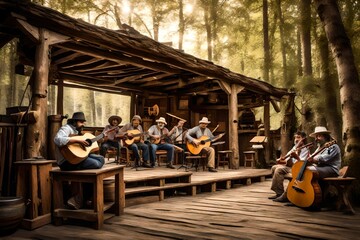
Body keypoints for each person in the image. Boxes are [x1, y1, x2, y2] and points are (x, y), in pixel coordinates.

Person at [54, 112, 105, 209]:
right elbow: (57, 139)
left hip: (77, 158)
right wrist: (78, 141)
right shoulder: (66, 128)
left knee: (101, 159)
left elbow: (78, 148)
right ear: (74, 121)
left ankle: (83, 198)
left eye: (83, 122)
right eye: (81, 122)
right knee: (96, 164)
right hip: (66, 162)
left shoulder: (76, 131)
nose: (83, 124)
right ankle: (81, 199)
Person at [269, 131, 310, 202]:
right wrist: (281, 160)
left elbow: (302, 163)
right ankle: (279, 193)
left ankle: (282, 195)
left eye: (298, 137)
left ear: (303, 139)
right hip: (292, 168)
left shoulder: (306, 149)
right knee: (274, 167)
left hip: (300, 169)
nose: (296, 139)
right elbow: (286, 158)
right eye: (295, 137)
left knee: (278, 170)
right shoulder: (295, 147)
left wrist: (296, 157)